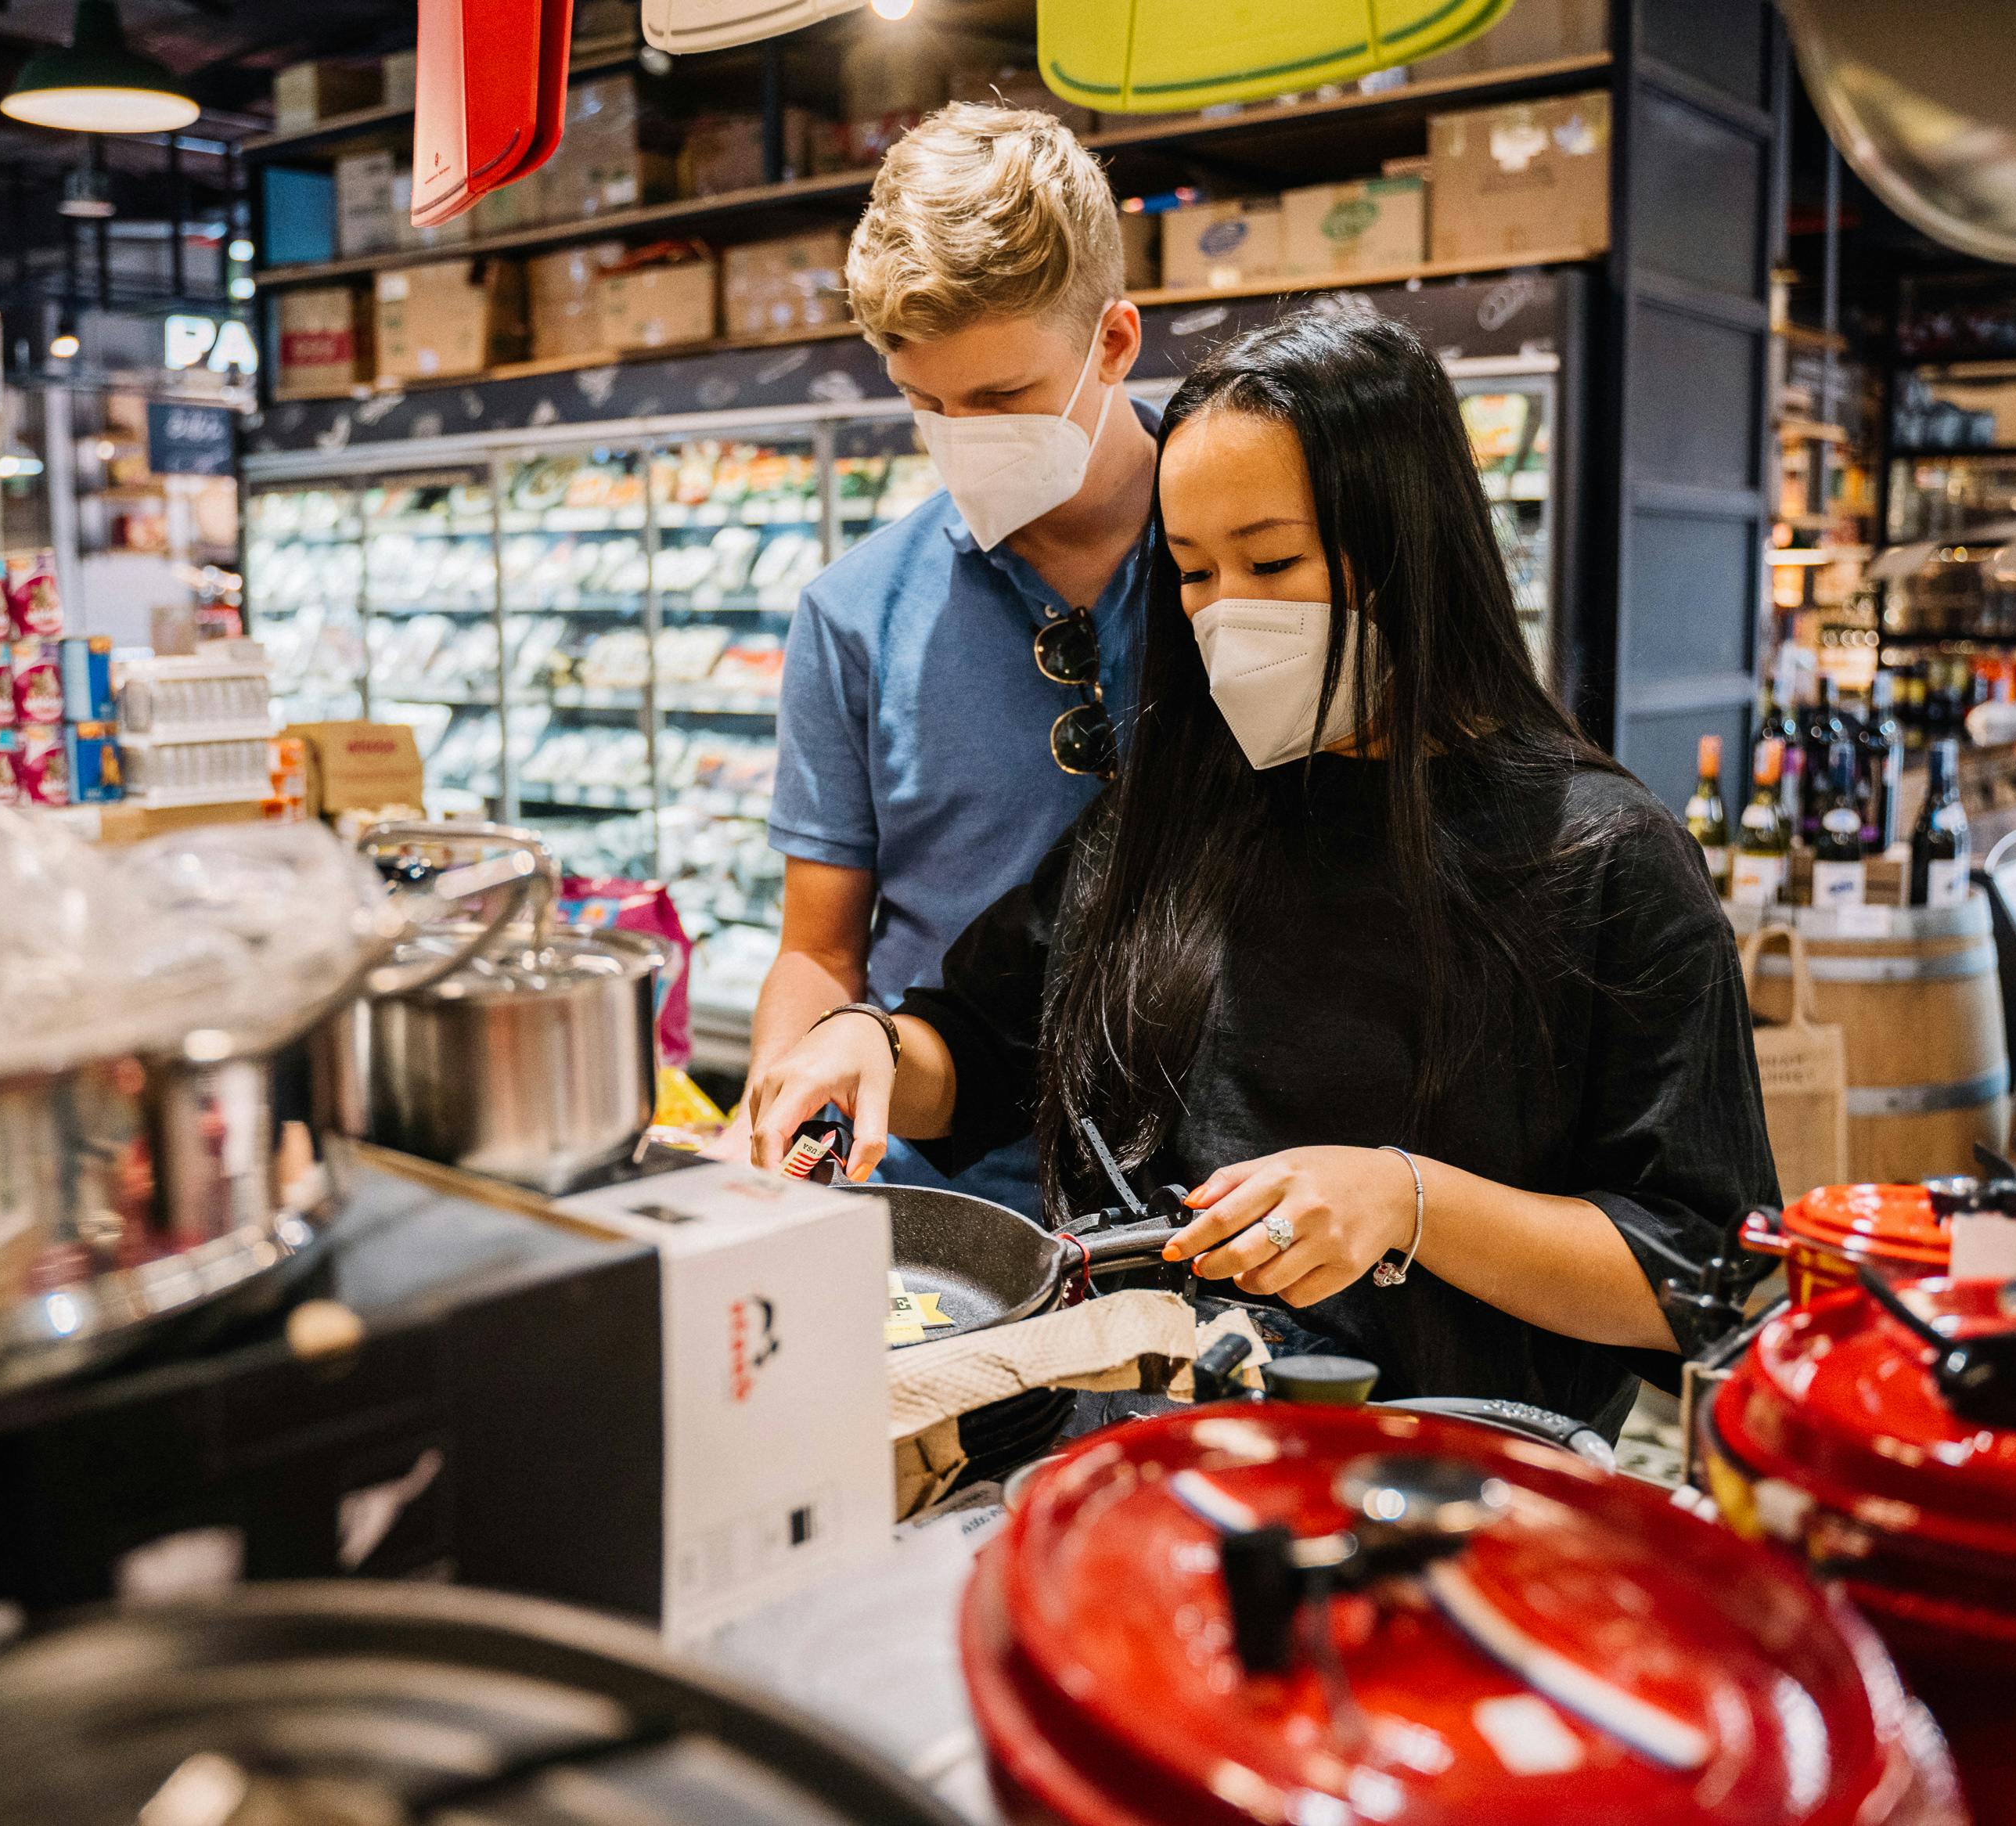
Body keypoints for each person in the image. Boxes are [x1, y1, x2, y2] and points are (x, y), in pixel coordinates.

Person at [748, 306, 1777, 1427]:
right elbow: (983, 1043)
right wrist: (870, 1041)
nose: (1228, 611)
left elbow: (1699, 1271)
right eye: (1192, 572)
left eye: (1273, 558)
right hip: (1149, 1453)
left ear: (1408, 545)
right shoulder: (1174, 813)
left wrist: (1408, 1201)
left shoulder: (1603, 863)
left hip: (1445, 1493)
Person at [745, 103, 1161, 1211]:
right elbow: (820, 950)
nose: (963, 437)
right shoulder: (853, 616)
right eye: (926, 405)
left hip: (1224, 1198)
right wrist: (790, 1101)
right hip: (949, 1203)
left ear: (1113, 341)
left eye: (1002, 399)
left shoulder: (1257, 552)